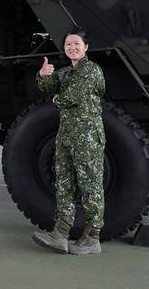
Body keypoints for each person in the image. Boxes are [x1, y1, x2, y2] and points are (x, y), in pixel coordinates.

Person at [32, 28, 106, 255]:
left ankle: (92, 238)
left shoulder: (91, 70)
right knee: (64, 184)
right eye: (68, 44)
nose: (72, 48)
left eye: (76, 44)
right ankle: (60, 233)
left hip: (87, 138)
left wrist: (56, 98)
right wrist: (43, 75)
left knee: (90, 185)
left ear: (86, 47)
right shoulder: (67, 73)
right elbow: (44, 86)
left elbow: (71, 97)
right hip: (66, 137)